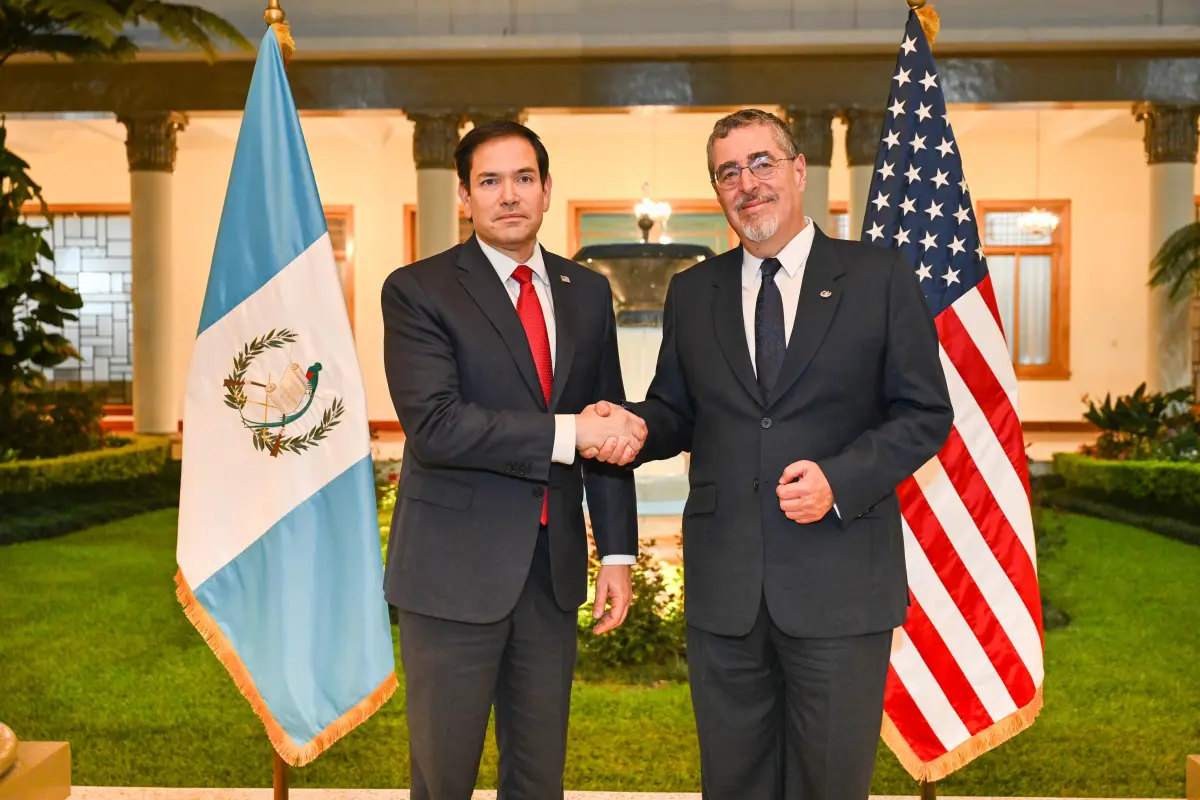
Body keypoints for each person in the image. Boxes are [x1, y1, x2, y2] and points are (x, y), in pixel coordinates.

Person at [584, 108, 954, 798]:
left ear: (797, 171)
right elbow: (677, 411)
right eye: (729, 171)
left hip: (841, 587)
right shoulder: (694, 292)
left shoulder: (877, 277)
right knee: (735, 783)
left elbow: (926, 413)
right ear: (718, 191)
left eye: (761, 163)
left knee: (829, 784)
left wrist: (840, 480)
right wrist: (631, 427)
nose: (747, 183)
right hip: (727, 594)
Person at [380, 119, 647, 800]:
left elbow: (605, 417)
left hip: (550, 576)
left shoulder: (586, 292)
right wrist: (567, 435)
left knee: (538, 778)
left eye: (523, 178)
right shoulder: (419, 290)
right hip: (451, 574)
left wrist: (616, 552)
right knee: (445, 779)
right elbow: (437, 427)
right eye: (490, 181)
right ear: (465, 196)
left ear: (547, 189)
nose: (509, 195)